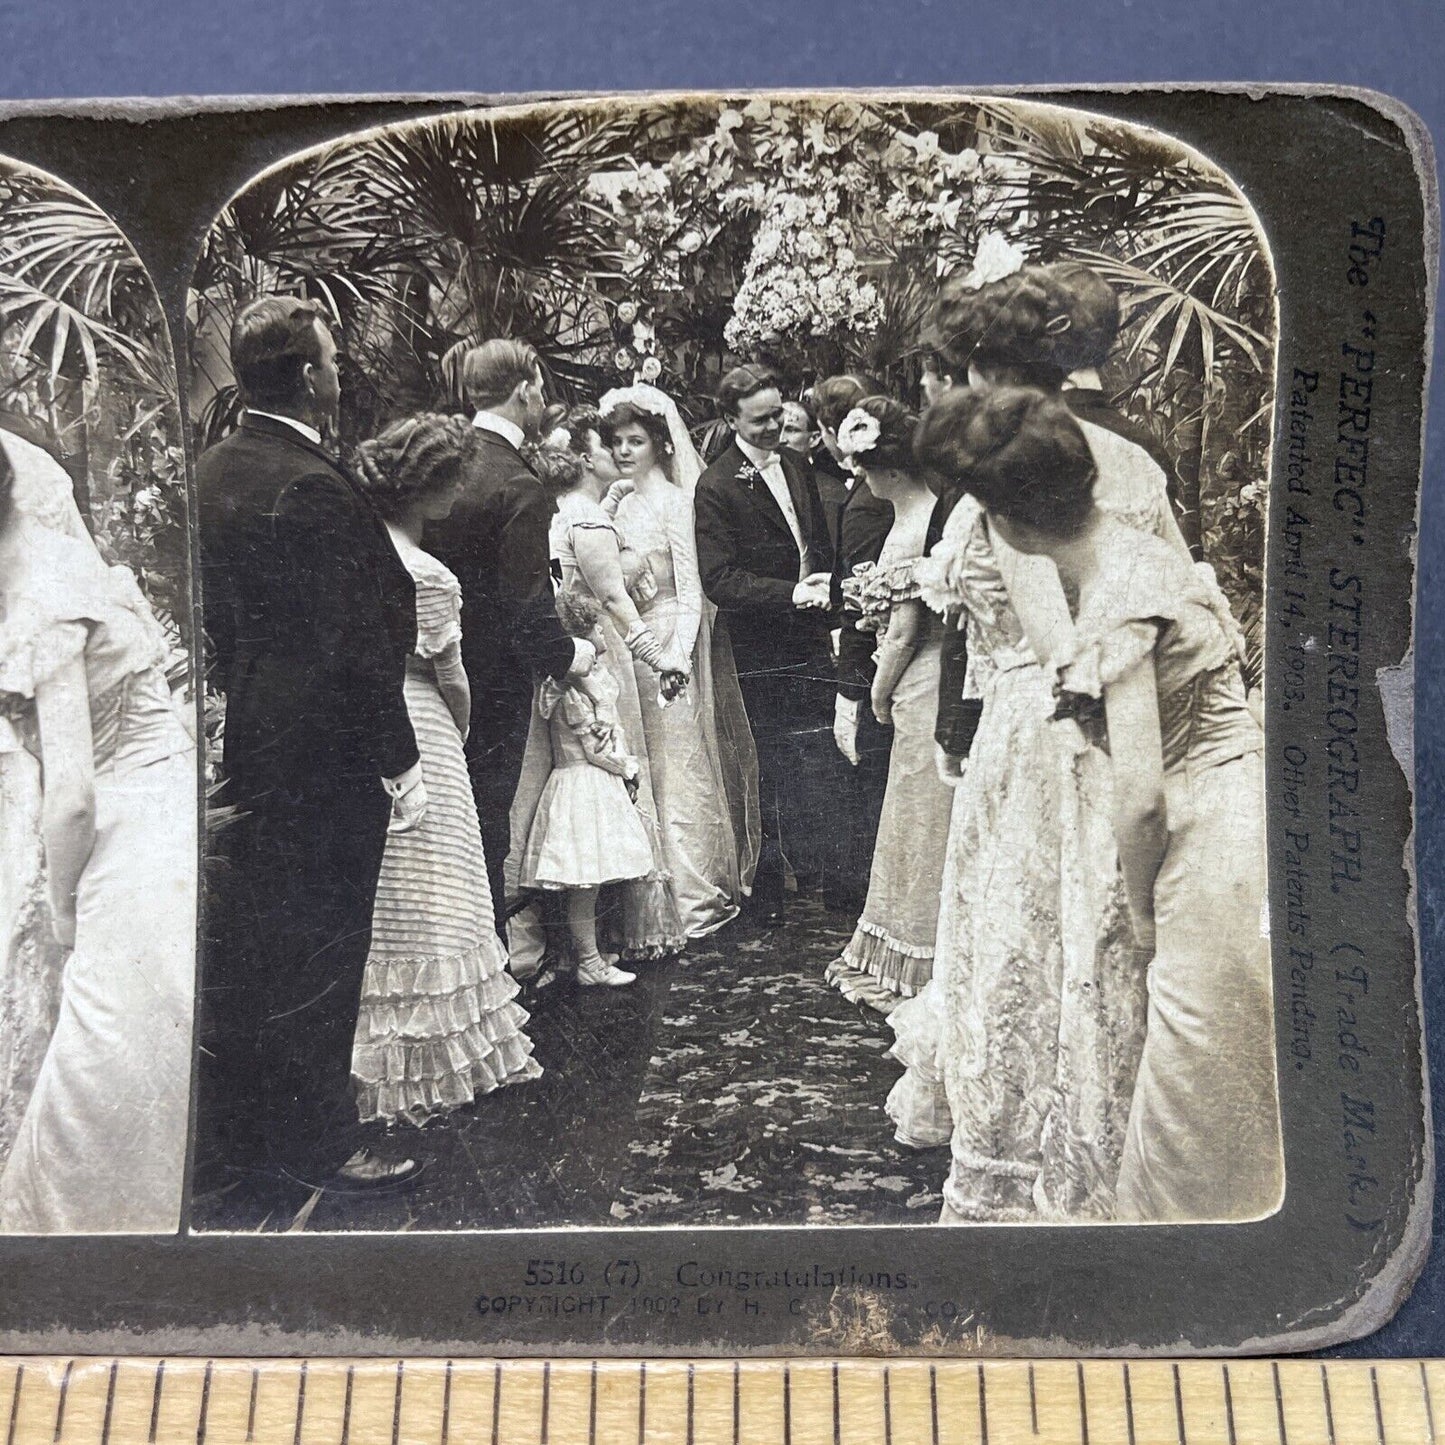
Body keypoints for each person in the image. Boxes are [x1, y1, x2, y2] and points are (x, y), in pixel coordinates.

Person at [886, 256, 1206, 1218]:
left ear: (986, 371)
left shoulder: (997, 477)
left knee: (1035, 929)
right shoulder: (1134, 460)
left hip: (1043, 723)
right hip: (1129, 706)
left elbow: (1058, 645)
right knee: (1097, 937)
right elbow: (1179, 599)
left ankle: (1026, 1161)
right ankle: (1107, 1153)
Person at [940, 385, 1282, 1222]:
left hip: (1207, 838)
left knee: (1193, 1082)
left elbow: (1140, 799)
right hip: (1236, 807)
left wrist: (1138, 912)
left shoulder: (1116, 600)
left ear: (1010, 526)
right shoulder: (1139, 551)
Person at [196, 296, 421, 1193]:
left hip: (255, 739)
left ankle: (252, 1136)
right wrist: (398, 759)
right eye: (330, 358)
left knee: (264, 947)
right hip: (323, 760)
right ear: (306, 375)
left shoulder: (216, 467)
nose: (339, 372)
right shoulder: (313, 485)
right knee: (321, 953)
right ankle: (321, 1144)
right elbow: (355, 642)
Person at [0, 424, 195, 1231]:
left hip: (131, 815)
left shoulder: (43, 588)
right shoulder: (46, 559)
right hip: (155, 796)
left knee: (105, 1051)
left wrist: (63, 906)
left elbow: (73, 792)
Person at [349, 414, 541, 1128]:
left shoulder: (358, 555)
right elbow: (452, 676)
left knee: (396, 887)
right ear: (430, 490)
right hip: (423, 720)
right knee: (445, 878)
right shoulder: (428, 574)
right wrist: (456, 730)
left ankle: (386, 1048)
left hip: (369, 724)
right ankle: (447, 1053)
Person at [423, 339, 590, 928]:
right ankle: (488, 954)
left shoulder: (446, 458)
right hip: (493, 679)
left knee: (447, 812)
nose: (543, 398)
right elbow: (527, 606)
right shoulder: (516, 482)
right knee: (487, 811)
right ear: (525, 391)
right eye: (540, 388)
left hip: (430, 667)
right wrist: (573, 656)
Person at [508, 424, 685, 967]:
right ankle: (599, 940)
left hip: (579, 653)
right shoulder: (585, 519)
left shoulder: (572, 512)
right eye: (608, 446)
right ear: (586, 459)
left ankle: (566, 938)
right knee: (605, 770)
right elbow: (613, 596)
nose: (620, 452)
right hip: (596, 655)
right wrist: (663, 661)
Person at [601, 384, 760, 937]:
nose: (624, 451)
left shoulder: (675, 502)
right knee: (640, 766)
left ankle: (693, 897)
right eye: (617, 441)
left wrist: (678, 657)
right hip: (629, 645)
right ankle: (646, 902)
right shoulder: (615, 503)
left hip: (669, 639)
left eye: (636, 440)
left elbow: (694, 591)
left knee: (680, 768)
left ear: (662, 444)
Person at [693, 364, 840, 921]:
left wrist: (825, 594)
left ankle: (823, 873)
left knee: (819, 752)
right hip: (759, 644)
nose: (775, 427)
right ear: (730, 420)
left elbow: (815, 542)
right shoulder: (717, 485)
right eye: (760, 420)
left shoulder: (798, 464)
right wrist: (791, 594)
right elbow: (720, 579)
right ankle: (772, 889)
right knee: (771, 762)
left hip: (810, 634)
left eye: (779, 414)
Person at [823, 398, 955, 1011]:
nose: (860, 481)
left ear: (891, 471)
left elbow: (903, 633)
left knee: (920, 816)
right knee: (917, 813)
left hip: (919, 682)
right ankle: (912, 944)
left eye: (864, 469)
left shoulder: (913, 524)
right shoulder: (923, 513)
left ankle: (918, 954)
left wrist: (876, 695)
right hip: (926, 683)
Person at [516, 591, 658, 987]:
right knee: (584, 884)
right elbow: (595, 750)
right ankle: (588, 962)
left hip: (593, 783)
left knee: (592, 884)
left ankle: (590, 952)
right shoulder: (571, 687)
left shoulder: (589, 677)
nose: (602, 632)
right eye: (595, 626)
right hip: (582, 785)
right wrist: (629, 767)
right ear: (578, 635)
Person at [814, 373, 894, 912]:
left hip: (871, 656)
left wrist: (849, 689)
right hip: (884, 645)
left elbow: (863, 601)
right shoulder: (871, 490)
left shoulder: (867, 502)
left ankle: (861, 890)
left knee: (864, 769)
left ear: (829, 430)